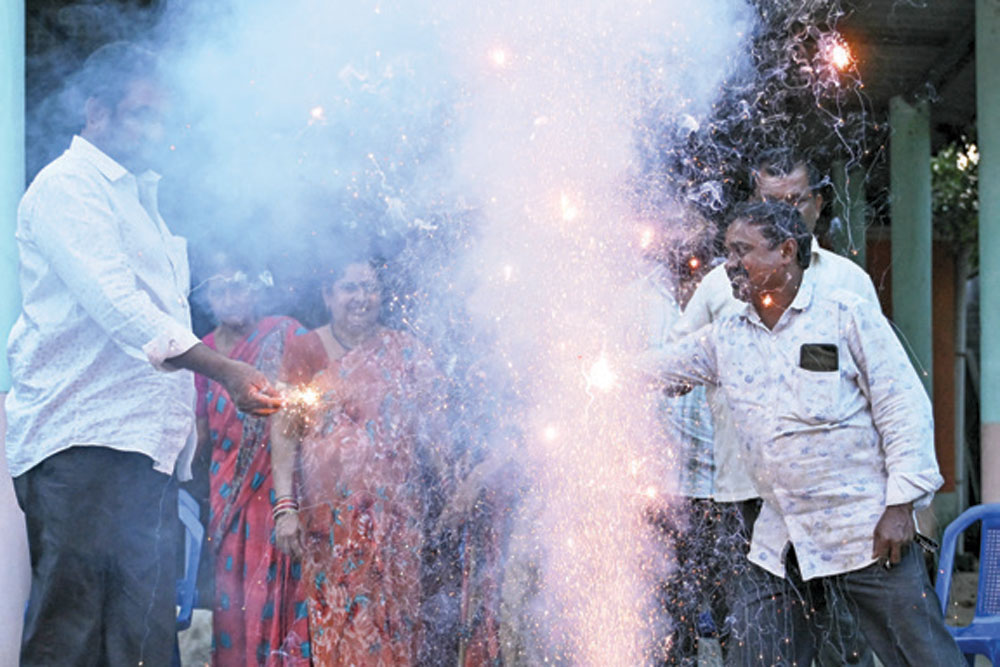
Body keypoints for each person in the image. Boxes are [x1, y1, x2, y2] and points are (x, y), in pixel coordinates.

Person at [5, 42, 281, 667]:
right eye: (139, 115)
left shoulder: (139, 199)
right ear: (95, 111)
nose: (154, 131)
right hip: (80, 445)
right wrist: (225, 370)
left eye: (161, 118)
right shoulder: (66, 187)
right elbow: (120, 307)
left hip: (145, 453)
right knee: (71, 636)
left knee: (145, 642)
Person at [645, 201, 965, 666]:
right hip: (782, 539)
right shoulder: (727, 335)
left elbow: (904, 408)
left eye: (743, 251)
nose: (730, 264)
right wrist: (590, 370)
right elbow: (662, 367)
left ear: (786, 252)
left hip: (865, 532)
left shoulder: (845, 314)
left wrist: (901, 506)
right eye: (727, 252)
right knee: (758, 655)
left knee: (922, 657)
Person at [670, 148, 878, 666]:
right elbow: (677, 363)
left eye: (794, 201)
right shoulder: (722, 285)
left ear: (817, 205)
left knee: (841, 644)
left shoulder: (849, 284)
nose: (783, 211)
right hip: (748, 496)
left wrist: (902, 500)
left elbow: (886, 395)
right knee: (761, 646)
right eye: (769, 201)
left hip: (838, 502)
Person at [270, 253, 449, 665]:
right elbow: (284, 433)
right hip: (328, 529)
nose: (361, 297)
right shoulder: (306, 350)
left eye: (370, 287)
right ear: (328, 295)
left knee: (395, 630)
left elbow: (437, 428)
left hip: (395, 527)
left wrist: (452, 488)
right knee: (336, 629)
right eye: (350, 287)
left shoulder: (406, 352)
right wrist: (285, 509)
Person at [634, 206, 746, 666]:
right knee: (665, 624)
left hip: (724, 492)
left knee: (734, 623)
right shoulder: (635, 299)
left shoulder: (733, 290)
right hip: (657, 493)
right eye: (676, 233)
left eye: (696, 234)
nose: (686, 244)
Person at [192, 254, 311, 665]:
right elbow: (198, 433)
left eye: (239, 284)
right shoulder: (201, 354)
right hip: (227, 496)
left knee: (280, 594)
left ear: (257, 286)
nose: (231, 296)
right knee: (234, 600)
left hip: (282, 493)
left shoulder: (287, 335)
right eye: (219, 288)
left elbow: (314, 407)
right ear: (207, 296)